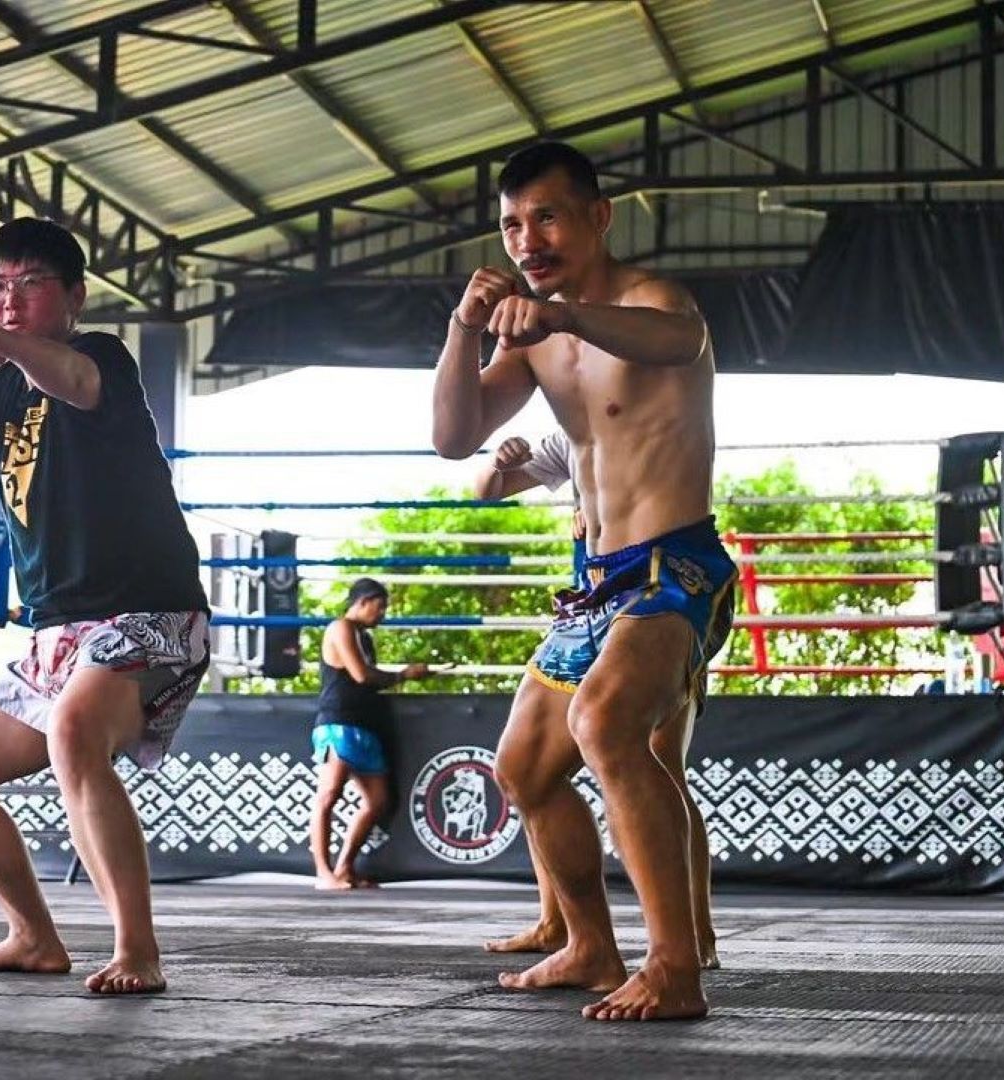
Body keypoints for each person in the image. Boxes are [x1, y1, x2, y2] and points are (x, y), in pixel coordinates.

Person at [432, 141, 737, 1021]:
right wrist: (463, 328)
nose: (529, 239)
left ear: (599, 218)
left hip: (678, 566)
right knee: (522, 769)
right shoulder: (530, 343)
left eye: (549, 216)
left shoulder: (651, 302)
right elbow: (455, 441)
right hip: (596, 581)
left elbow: (681, 341)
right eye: (512, 224)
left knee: (609, 727)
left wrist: (562, 319)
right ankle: (592, 946)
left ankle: (675, 967)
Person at [0, 217, 210, 995]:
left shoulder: (98, 355)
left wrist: (1, 347)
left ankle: (137, 948)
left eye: (30, 283)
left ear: (72, 297)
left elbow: (68, 382)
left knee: (74, 731)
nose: (9, 299)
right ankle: (33, 936)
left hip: (148, 612)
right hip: (58, 631)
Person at [474, 433, 720, 970]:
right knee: (530, 770)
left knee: (659, 765)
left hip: (664, 591)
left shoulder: (659, 403)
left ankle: (696, 937)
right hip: (594, 601)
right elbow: (483, 486)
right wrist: (497, 464)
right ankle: (560, 927)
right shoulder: (568, 433)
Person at [311, 578, 432, 890]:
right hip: (338, 722)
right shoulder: (340, 628)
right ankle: (323, 874)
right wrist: (406, 674)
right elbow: (362, 675)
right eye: (380, 607)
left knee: (378, 801)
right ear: (362, 602)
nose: (383, 614)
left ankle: (344, 867)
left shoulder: (363, 636)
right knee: (328, 795)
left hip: (364, 724)